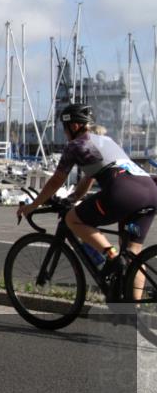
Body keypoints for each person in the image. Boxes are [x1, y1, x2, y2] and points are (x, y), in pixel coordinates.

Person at [17, 103, 157, 300]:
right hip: (150, 191)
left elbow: (57, 180)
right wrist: (74, 198)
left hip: (123, 193)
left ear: (73, 126)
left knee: (72, 220)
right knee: (134, 253)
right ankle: (133, 308)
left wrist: (33, 205)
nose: (64, 133)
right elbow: (88, 179)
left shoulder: (76, 145)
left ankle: (112, 256)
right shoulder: (106, 140)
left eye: (64, 129)